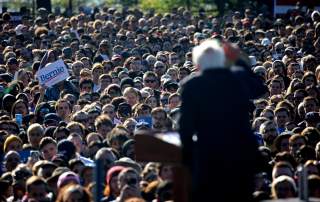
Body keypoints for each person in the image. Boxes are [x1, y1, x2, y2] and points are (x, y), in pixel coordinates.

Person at [179, 39, 266, 201]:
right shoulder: (238, 78)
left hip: (207, 159)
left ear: (198, 65)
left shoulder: (192, 86)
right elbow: (260, 88)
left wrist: (189, 160)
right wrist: (238, 59)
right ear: (222, 62)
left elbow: (185, 128)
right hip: (240, 156)